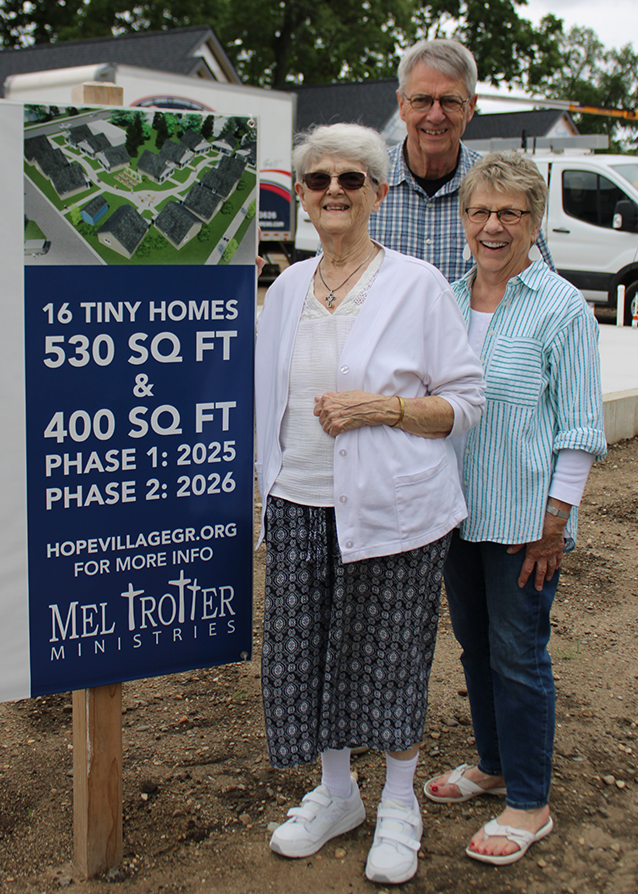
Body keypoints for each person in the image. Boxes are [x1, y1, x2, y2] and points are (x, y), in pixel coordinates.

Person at [255, 122, 485, 885]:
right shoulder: (286, 287)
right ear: (305, 198)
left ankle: (398, 804)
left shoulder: (416, 284)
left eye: (351, 180)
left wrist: (383, 409)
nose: (333, 192)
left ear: (378, 193)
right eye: (318, 180)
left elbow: (466, 401)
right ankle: (335, 792)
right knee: (307, 654)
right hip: (297, 501)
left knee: (388, 658)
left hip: (394, 510)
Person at [423, 151, 607, 865]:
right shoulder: (447, 294)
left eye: (510, 213)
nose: (492, 226)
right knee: (474, 648)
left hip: (525, 521)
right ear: (463, 217)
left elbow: (580, 427)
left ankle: (530, 802)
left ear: (533, 223)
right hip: (453, 512)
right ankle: (492, 764)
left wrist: (555, 523)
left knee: (520, 656)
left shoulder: (561, 307)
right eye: (479, 211)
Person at [368, 38, 553, 280]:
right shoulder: (362, 186)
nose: (435, 116)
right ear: (402, 105)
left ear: (470, 107)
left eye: (450, 101)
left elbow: (543, 289)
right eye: (422, 100)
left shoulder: (505, 188)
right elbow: (328, 282)